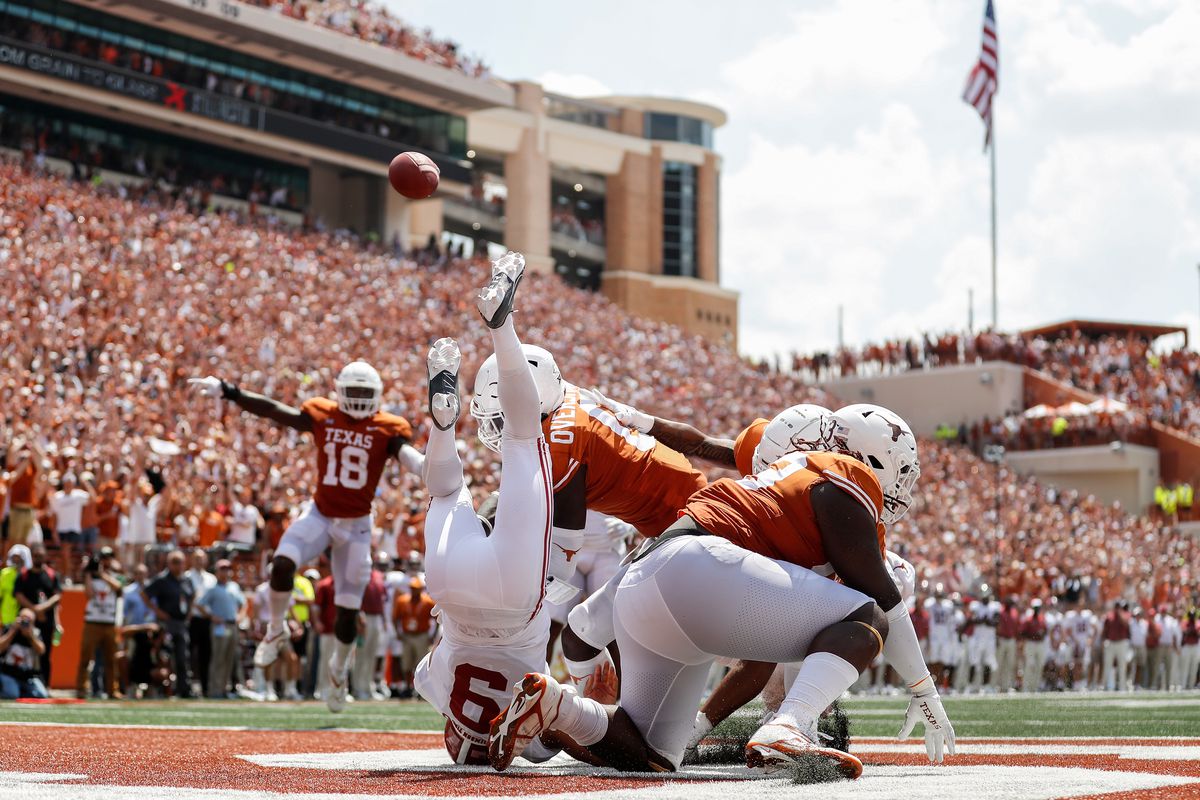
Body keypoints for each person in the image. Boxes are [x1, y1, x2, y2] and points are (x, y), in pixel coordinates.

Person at [488, 403, 954, 778]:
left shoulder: (773, 487)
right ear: (873, 458)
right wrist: (924, 690)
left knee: (650, 754)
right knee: (867, 614)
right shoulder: (841, 476)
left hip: (650, 582)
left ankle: (559, 706)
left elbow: (761, 651)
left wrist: (701, 723)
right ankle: (790, 726)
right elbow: (883, 602)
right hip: (698, 570)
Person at [189, 357, 421, 714]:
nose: (358, 398)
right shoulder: (323, 415)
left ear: (376, 396)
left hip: (357, 526)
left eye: (364, 392)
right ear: (340, 392)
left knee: (347, 613)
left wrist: (424, 465)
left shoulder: (388, 428)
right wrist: (229, 391)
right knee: (281, 565)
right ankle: (275, 629)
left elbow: (405, 455)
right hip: (321, 514)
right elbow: (273, 411)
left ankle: (338, 669)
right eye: (353, 391)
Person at [412, 252, 559, 765]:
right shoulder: (434, 685)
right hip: (451, 593)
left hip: (516, 604)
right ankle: (441, 427)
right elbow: (427, 672)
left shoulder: (531, 744)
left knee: (522, 438)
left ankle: (503, 324)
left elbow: (548, 742)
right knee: (447, 494)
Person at [143, 549, 195, 698]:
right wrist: (158, 612)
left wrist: (189, 613)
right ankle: (163, 690)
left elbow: (192, 596)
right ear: (169, 563)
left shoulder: (186, 580)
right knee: (164, 657)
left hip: (181, 623)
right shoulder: (162, 579)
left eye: (181, 562)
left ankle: (183, 689)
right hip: (167, 623)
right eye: (175, 562)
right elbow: (144, 595)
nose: (179, 566)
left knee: (182, 656)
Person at [76, 548, 122, 699]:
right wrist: (89, 573)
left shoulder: (115, 576)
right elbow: (88, 594)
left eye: (109, 558)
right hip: (92, 622)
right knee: (85, 657)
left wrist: (102, 575)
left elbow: (119, 588)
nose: (106, 561)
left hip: (109, 623)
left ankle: (112, 689)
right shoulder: (91, 578)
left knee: (111, 659)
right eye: (103, 558)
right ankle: (82, 688)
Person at [196, 559, 246, 699]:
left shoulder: (234, 587)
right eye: (222, 569)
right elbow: (199, 604)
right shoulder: (212, 589)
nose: (225, 572)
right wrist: (212, 617)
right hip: (219, 626)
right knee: (218, 658)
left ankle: (224, 689)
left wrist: (240, 616)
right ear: (217, 571)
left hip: (232, 625)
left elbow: (243, 604)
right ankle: (214, 690)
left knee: (230, 658)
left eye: (227, 569)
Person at [14, 544, 61, 685]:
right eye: (35, 556)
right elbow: (18, 595)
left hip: (46, 621)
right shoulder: (24, 575)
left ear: (45, 556)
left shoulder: (52, 575)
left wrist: (42, 609)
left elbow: (57, 596)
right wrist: (35, 610)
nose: (38, 558)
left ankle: (45, 685)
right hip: (27, 622)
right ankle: (20, 682)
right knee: (24, 651)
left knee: (45, 655)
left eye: (40, 555)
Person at [392, 575, 436, 698]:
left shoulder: (427, 602)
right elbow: (396, 618)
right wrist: (398, 633)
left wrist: (431, 635)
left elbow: (436, 618)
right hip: (407, 635)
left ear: (421, 589)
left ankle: (421, 689)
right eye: (412, 588)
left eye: (416, 588)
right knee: (406, 662)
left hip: (421, 635)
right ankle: (407, 687)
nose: (413, 590)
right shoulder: (402, 600)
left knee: (421, 663)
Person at [121, 563, 158, 695]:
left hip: (150, 633)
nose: (140, 576)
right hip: (134, 631)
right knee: (132, 659)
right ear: (134, 575)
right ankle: (131, 686)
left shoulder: (152, 589)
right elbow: (124, 614)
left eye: (143, 573)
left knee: (152, 660)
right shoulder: (128, 591)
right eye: (137, 573)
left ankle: (151, 687)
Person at [185, 549, 217, 697]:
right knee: (190, 654)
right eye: (196, 558)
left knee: (207, 654)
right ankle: (189, 685)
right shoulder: (186, 577)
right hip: (192, 620)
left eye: (201, 558)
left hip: (207, 621)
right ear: (191, 560)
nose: (199, 561)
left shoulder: (211, 578)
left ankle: (205, 686)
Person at [50, 472, 93, 577]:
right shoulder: (57, 496)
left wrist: (85, 483)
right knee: (65, 553)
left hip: (74, 529)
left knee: (67, 553)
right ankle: (65, 575)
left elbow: (93, 498)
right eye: (66, 483)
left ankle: (67, 575)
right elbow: (54, 515)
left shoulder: (78, 495)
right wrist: (54, 531)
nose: (68, 486)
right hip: (61, 529)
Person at [0, 608, 48, 699]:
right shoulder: (10, 629)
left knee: (41, 695)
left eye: (28, 621)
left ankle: (19, 691)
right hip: (8, 673)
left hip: (27, 677)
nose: (25, 623)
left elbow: (41, 650)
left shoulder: (35, 633)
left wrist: (30, 637)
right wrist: (13, 631)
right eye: (23, 620)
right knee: (12, 694)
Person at [1020, 599, 1048, 692]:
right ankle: (1026, 687)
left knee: (1039, 665)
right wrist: (1033, 634)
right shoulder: (1028, 619)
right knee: (1030, 665)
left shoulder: (1042, 619)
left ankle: (1035, 687)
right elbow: (1022, 632)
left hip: (1039, 643)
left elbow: (1045, 630)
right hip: (1031, 643)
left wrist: (1041, 634)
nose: (1037, 610)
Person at [0, 545, 31, 626]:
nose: (16, 560)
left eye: (19, 557)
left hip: (25, 617)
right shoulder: (5, 573)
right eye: (14, 557)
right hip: (7, 616)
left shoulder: (30, 575)